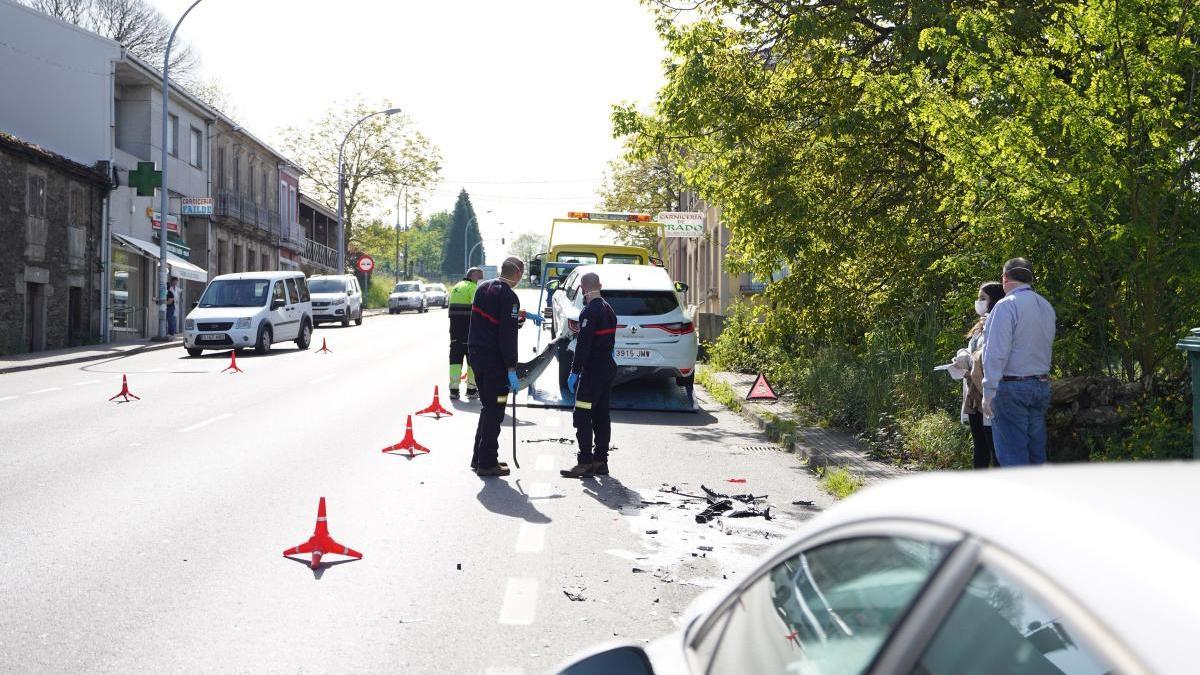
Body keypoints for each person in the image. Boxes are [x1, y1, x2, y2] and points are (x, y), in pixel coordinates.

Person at [467, 257, 542, 476]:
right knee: (496, 410)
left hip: (477, 357)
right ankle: (488, 462)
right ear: (518, 272)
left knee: (487, 407)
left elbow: (492, 320)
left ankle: (478, 457)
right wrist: (511, 369)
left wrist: (520, 316)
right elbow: (506, 336)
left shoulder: (484, 288)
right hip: (495, 363)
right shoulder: (509, 296)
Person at [982, 258, 1057, 466]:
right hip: (1041, 385)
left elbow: (996, 352)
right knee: (1036, 455)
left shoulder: (1005, 306)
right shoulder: (1046, 306)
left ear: (1004, 278)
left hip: (1011, 388)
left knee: (1013, 456)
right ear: (1030, 278)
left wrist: (988, 392)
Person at [560, 272, 618, 478]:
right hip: (608, 369)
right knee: (602, 415)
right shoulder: (609, 309)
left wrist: (574, 372)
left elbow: (583, 346)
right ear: (600, 285)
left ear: (583, 288)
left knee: (582, 413)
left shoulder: (589, 312)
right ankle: (601, 461)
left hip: (593, 372)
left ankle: (584, 462)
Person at [949, 282, 1005, 469]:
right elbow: (973, 350)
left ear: (995, 300)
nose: (978, 302)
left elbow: (990, 356)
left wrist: (970, 360)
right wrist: (962, 356)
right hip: (974, 392)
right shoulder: (980, 325)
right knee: (980, 446)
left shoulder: (997, 324)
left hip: (987, 391)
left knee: (993, 446)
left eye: (983, 298)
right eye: (978, 298)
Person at [447, 267, 483, 400]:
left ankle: (454, 390)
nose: (480, 277)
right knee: (472, 360)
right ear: (473, 275)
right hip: (469, 331)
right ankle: (471, 389)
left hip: (455, 331)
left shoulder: (456, 287)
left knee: (455, 360)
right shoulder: (472, 288)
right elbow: (478, 309)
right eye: (479, 274)